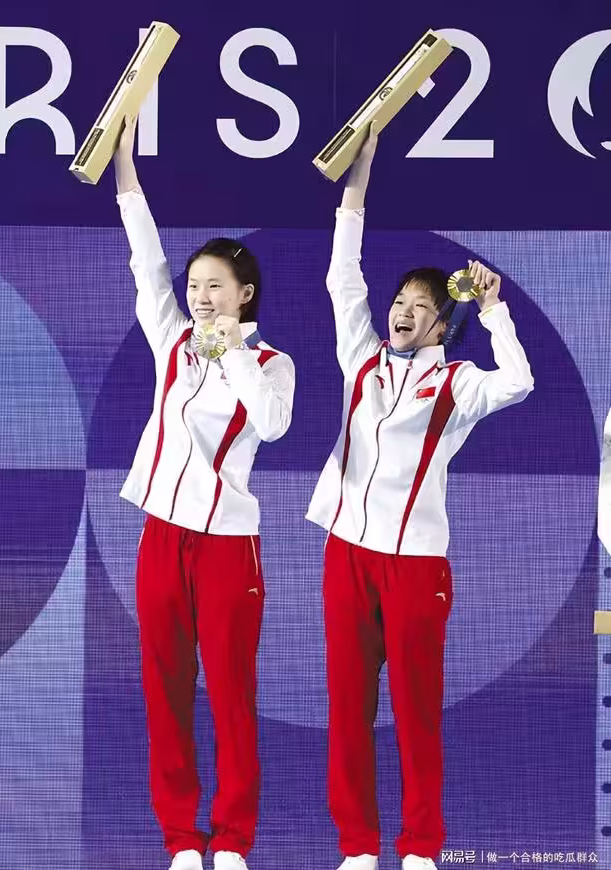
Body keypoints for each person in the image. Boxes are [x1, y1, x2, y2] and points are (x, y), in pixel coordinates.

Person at [307, 123, 534, 870]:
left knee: (414, 715)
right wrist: (357, 189)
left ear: (443, 321)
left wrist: (494, 309)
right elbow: (342, 279)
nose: (402, 309)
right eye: (399, 299)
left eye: (418, 303)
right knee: (348, 712)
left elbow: (519, 381)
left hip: (414, 567)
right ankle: (357, 849)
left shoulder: (458, 384)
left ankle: (420, 850)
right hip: (346, 555)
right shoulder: (360, 359)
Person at [113, 116, 295, 870]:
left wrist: (232, 349)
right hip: (160, 537)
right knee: (165, 691)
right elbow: (146, 261)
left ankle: (234, 839)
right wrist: (126, 172)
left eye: (215, 286)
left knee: (229, 695)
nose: (200, 296)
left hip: (227, 548)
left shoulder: (273, 362)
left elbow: (274, 425)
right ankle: (181, 838)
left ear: (244, 293)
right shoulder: (171, 341)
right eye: (195, 287)